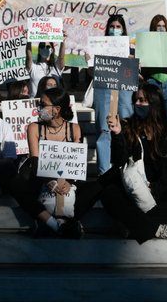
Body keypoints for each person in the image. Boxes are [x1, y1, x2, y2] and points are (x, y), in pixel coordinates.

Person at [100, 83, 167, 242]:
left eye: (142, 100)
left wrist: (155, 189)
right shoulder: (127, 127)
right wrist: (117, 134)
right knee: (109, 194)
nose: (137, 104)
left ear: (154, 103)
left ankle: (134, 225)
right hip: (132, 189)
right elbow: (120, 162)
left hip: (159, 188)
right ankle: (157, 229)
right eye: (136, 100)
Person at [8, 87, 100, 238]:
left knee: (101, 184)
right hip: (41, 181)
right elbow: (35, 161)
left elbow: (76, 165)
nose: (39, 108)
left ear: (56, 109)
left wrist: (69, 182)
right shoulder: (34, 128)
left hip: (68, 185)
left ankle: (66, 222)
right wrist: (49, 181)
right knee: (13, 181)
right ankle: (53, 223)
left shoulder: (75, 129)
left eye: (43, 105)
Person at [92, 14, 135, 174]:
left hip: (124, 92)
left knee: (126, 126)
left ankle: (128, 169)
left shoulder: (131, 49)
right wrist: (90, 61)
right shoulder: (98, 47)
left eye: (118, 27)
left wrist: (133, 61)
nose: (114, 30)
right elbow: (91, 72)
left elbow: (135, 73)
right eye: (112, 26)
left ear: (123, 30)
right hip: (103, 91)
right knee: (104, 130)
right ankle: (104, 172)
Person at [139, 15, 167, 135]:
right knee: (152, 122)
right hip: (152, 82)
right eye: (158, 26)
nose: (161, 28)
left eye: (164, 26)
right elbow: (142, 72)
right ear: (153, 28)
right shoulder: (145, 43)